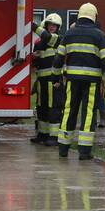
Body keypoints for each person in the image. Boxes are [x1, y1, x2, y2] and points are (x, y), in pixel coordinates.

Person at [53, 3, 105, 160]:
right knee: (88, 113)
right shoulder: (100, 35)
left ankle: (63, 149)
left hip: (72, 80)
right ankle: (84, 151)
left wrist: (55, 76)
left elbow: (58, 58)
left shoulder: (69, 33)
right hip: (92, 81)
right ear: (94, 16)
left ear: (79, 16)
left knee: (68, 110)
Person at [30, 13, 63, 145]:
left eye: (55, 25)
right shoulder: (38, 43)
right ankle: (43, 134)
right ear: (46, 25)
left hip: (54, 80)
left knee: (54, 107)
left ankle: (54, 137)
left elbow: (47, 36)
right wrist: (34, 57)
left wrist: (32, 26)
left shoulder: (58, 39)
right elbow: (36, 64)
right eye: (50, 24)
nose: (52, 27)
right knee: (41, 107)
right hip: (41, 81)